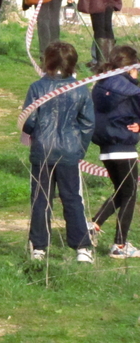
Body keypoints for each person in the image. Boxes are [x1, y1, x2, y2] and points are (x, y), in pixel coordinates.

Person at [22, 41, 95, 263]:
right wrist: (79, 149)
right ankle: (82, 248)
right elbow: (88, 123)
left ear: (46, 62)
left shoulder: (37, 88)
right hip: (69, 152)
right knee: (72, 198)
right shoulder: (81, 88)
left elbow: (28, 122)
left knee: (40, 199)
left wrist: (34, 133)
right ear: (73, 64)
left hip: (42, 151)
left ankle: (39, 248)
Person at [90, 45, 140, 258]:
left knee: (122, 192)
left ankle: (93, 225)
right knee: (129, 195)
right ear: (131, 68)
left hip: (106, 150)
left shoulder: (99, 86)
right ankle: (119, 246)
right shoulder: (132, 89)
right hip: (125, 148)